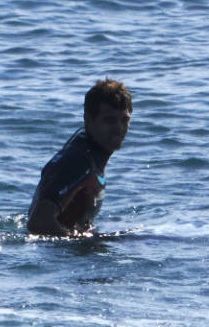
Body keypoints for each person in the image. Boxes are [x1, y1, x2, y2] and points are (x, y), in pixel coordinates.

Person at [27, 79, 132, 237]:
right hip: (59, 255)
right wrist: (82, 239)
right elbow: (38, 223)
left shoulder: (87, 151)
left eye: (124, 120)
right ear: (88, 120)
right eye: (109, 120)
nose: (118, 128)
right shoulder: (79, 161)